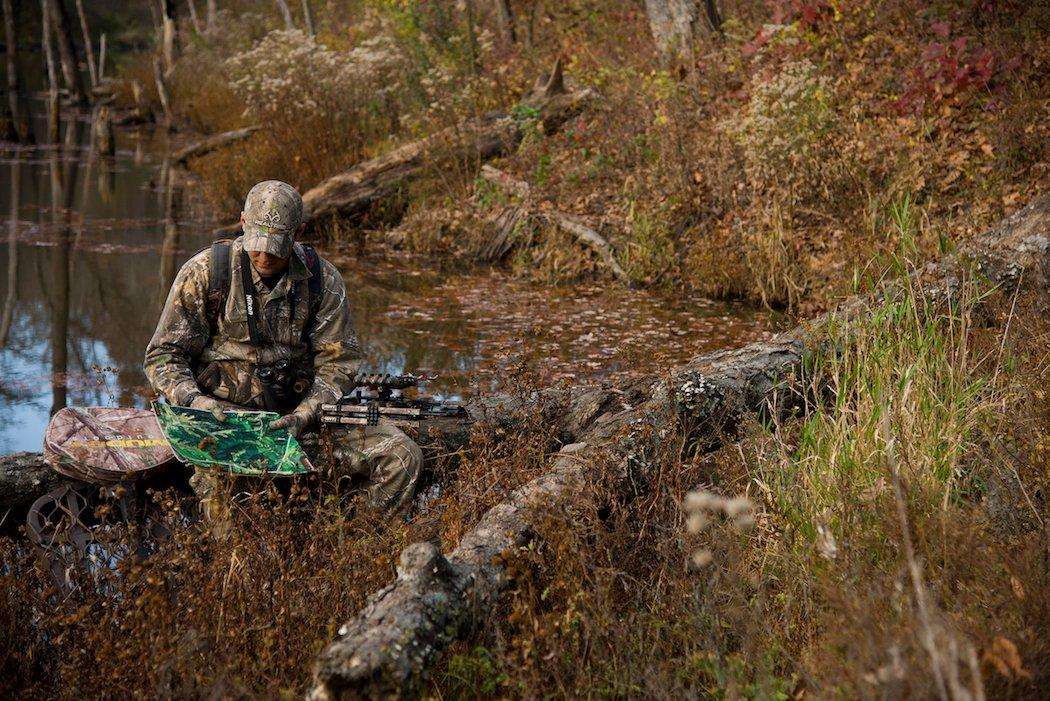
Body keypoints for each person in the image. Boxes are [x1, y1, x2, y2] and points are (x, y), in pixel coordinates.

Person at [144, 180, 422, 518]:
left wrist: (305, 414)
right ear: (243, 223)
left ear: (299, 232)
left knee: (402, 457)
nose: (264, 255)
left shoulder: (323, 281)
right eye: (257, 243)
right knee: (225, 508)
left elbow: (339, 365)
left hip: (300, 417)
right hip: (223, 421)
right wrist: (195, 402)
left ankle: (350, 547)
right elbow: (164, 356)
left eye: (276, 245)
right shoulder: (206, 272)